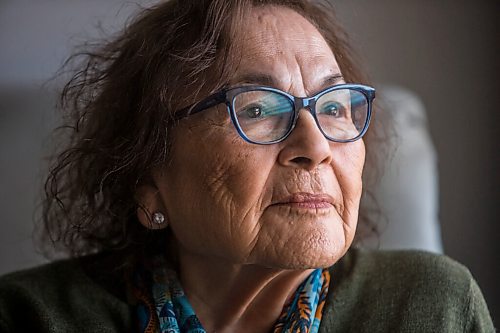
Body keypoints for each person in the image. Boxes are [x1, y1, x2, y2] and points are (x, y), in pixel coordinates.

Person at [0, 0, 494, 332]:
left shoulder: (434, 308)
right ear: (148, 179)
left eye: (333, 106)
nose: (316, 146)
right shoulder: (30, 316)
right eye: (257, 109)